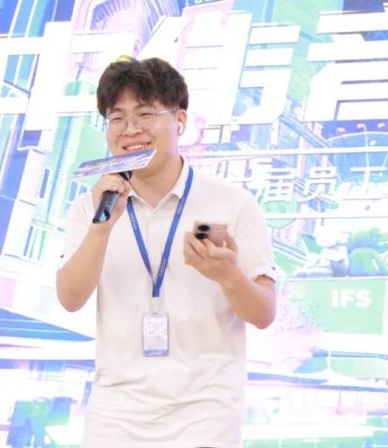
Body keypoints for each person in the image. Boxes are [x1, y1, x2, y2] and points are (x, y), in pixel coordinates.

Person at [56, 56, 278, 447]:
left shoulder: (231, 203)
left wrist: (228, 276)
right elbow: (70, 299)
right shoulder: (90, 208)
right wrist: (101, 226)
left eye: (145, 114)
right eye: (117, 118)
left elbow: (263, 313)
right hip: (115, 416)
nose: (131, 130)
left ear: (180, 121)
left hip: (205, 415)